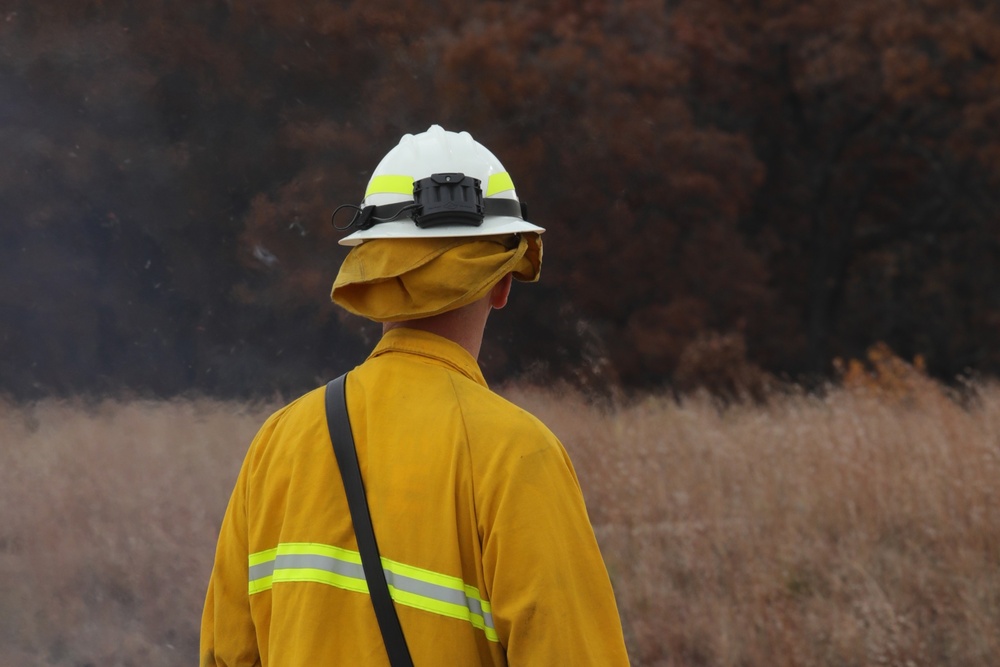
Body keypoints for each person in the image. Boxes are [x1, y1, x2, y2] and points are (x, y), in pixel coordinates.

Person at [201, 125, 630, 665]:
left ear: (373, 273)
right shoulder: (518, 456)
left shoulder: (278, 443)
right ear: (501, 284)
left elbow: (226, 653)